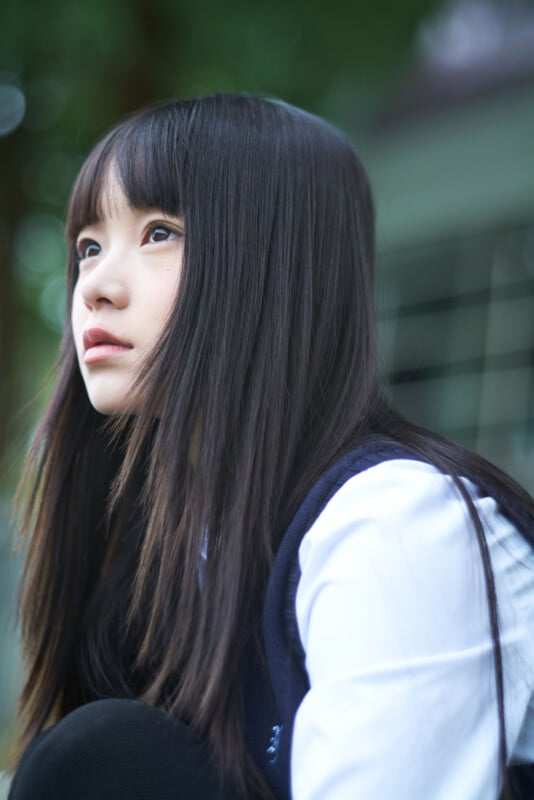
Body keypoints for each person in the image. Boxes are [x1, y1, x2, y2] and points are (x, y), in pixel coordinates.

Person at [8, 94, 534, 800]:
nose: (94, 286)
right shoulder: (180, 551)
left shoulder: (396, 527)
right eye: (90, 246)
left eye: (160, 231)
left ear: (274, 266)